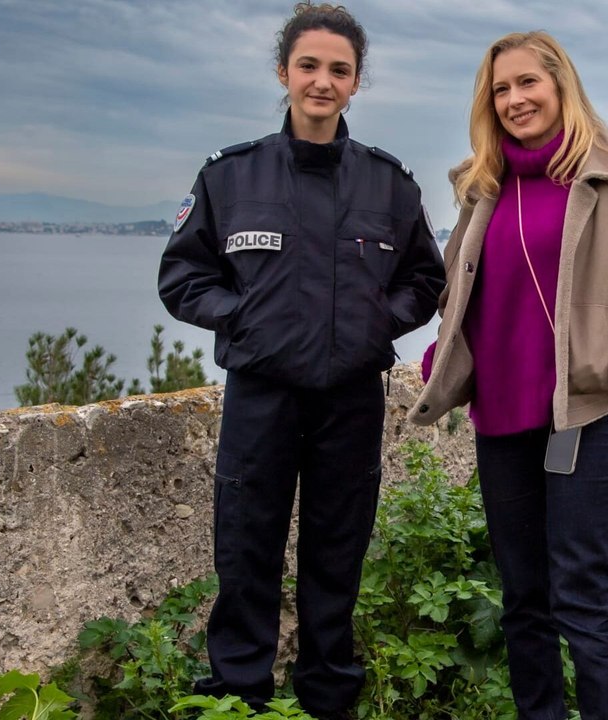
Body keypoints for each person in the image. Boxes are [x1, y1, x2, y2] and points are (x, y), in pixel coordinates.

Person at [157, 4, 445, 718]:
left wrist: (379, 323)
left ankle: (326, 700)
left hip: (350, 398)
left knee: (335, 557)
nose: (322, 81)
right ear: (285, 73)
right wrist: (245, 320)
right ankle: (239, 697)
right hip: (261, 395)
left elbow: (426, 281)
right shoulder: (231, 177)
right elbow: (183, 278)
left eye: (339, 70)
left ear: (355, 84)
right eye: (309, 66)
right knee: (246, 553)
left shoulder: (390, 184)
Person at [408, 30, 608, 720]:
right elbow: (466, 286)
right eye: (500, 89)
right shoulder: (480, 188)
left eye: (527, 83)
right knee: (524, 601)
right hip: (501, 419)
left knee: (581, 596)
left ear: (560, 85)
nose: (515, 99)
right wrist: (449, 349)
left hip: (587, 417)